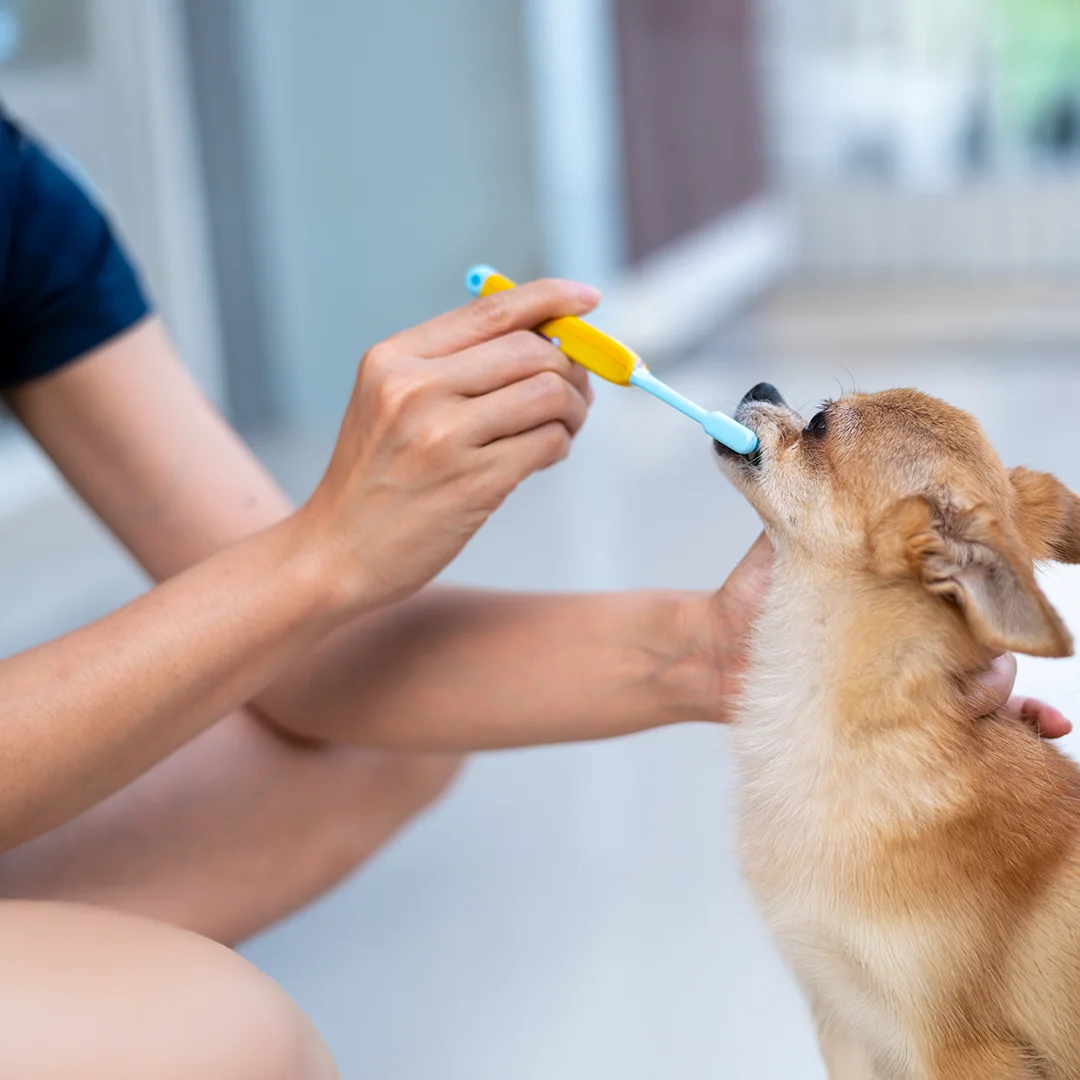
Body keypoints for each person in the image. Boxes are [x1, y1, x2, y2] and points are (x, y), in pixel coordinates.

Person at [0, 107, 1067, 1078]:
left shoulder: (29, 212)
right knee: (231, 1041)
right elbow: (290, 588)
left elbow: (297, 656)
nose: (786, 418)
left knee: (390, 737)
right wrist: (327, 548)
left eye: (826, 429)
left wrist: (709, 647)